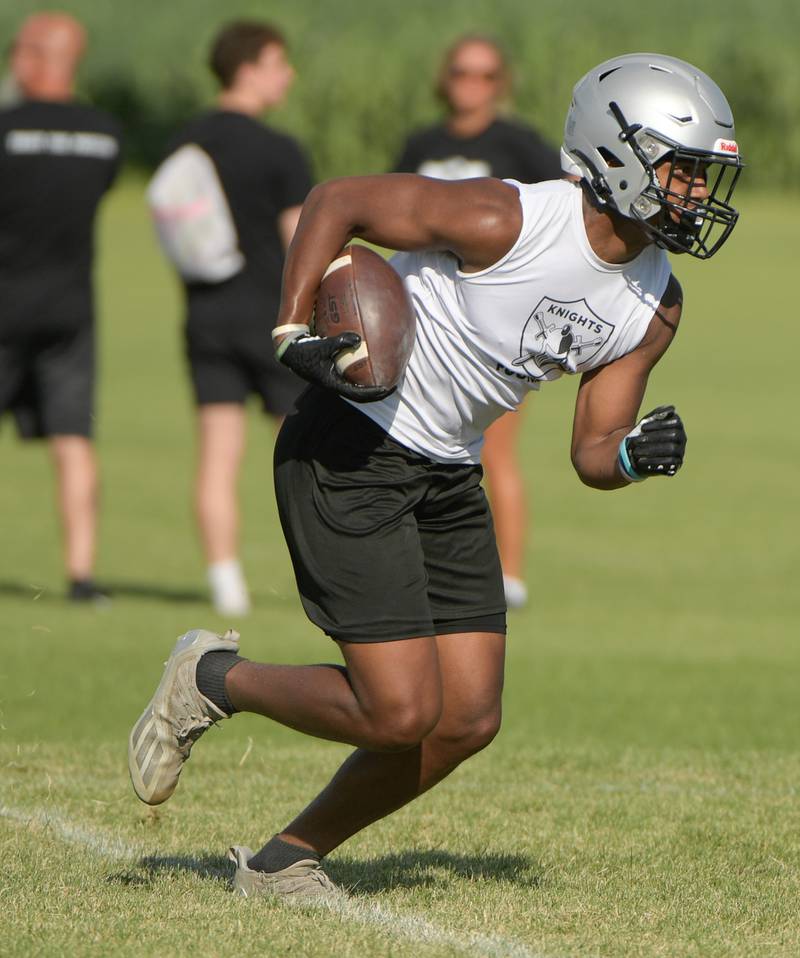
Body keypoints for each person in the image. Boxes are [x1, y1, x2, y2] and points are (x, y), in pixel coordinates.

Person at [128, 52, 743, 899]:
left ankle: (283, 862)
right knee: (400, 712)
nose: (699, 197)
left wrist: (635, 456)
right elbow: (338, 200)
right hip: (353, 447)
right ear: (615, 156)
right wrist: (289, 330)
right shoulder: (507, 218)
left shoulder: (656, 304)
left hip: (449, 471)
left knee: (466, 720)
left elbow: (591, 453)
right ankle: (209, 680)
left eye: (707, 180)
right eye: (684, 172)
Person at [393, 34, 563, 611]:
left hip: (495, 327)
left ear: (501, 84)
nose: (473, 84)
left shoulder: (520, 146)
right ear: (446, 78)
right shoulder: (422, 144)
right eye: (463, 72)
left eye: (487, 75)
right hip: (423, 318)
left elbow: (563, 222)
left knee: (490, 448)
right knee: (418, 445)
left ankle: (508, 576)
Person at [162, 21, 312, 616]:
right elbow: (298, 241)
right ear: (248, 69)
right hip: (272, 320)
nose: (288, 74)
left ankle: (226, 585)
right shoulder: (278, 149)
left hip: (205, 315)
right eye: (279, 62)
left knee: (216, 455)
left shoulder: (185, 141)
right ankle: (318, 572)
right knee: (305, 453)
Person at [0, 12, 121, 603]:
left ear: (33, 57)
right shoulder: (105, 134)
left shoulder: (6, 129)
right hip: (71, 308)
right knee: (73, 437)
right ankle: (81, 577)